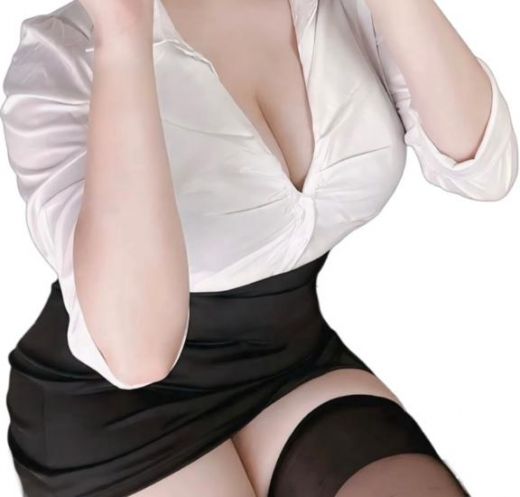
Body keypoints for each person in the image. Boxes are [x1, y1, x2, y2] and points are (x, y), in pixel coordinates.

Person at [0, 0, 516, 496]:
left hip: (291, 358)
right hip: (113, 405)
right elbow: (137, 354)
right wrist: (123, 34)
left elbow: (482, 169)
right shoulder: (66, 54)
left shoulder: (345, 8)